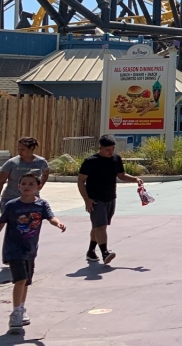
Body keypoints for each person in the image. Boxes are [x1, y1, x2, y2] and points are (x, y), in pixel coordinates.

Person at [0, 169, 65, 334]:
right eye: (23, 184)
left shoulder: (41, 205)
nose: (27, 186)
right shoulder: (11, 205)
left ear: (38, 186)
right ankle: (15, 314)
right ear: (18, 186)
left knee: (26, 281)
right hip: (13, 249)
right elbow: (2, 223)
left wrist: (58, 223)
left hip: (30, 249)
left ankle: (21, 308)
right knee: (20, 279)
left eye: (31, 184)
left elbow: (51, 217)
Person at [76, 135, 142, 265]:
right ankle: (105, 253)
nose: (110, 152)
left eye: (112, 149)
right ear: (100, 147)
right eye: (108, 149)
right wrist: (86, 199)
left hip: (110, 198)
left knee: (99, 226)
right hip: (95, 199)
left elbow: (121, 175)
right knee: (101, 226)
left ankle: (91, 251)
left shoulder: (116, 159)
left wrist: (135, 179)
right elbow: (80, 181)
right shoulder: (90, 161)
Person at [0, 136, 50, 206]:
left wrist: (39, 186)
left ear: (31, 148)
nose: (20, 152)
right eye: (18, 149)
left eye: (22, 149)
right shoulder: (12, 163)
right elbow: (1, 181)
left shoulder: (41, 162)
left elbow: (45, 174)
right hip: (11, 199)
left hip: (32, 200)